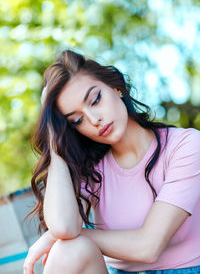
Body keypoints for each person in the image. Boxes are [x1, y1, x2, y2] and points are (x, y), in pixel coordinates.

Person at [23, 50, 200, 274]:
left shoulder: (184, 146)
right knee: (69, 250)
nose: (94, 120)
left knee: (69, 242)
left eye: (95, 99)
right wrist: (54, 142)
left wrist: (54, 237)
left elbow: (148, 247)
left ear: (116, 87)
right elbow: (64, 227)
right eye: (77, 120)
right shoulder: (92, 169)